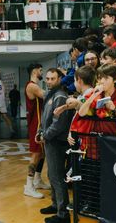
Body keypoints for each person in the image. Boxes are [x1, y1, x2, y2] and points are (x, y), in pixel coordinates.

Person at [38, 68, 73, 223]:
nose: (49, 81)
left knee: (57, 177)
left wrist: (44, 135)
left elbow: (59, 124)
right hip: (50, 140)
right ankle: (55, 204)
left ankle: (63, 214)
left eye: (53, 78)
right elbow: (45, 118)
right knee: (52, 175)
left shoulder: (60, 96)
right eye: (47, 78)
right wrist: (39, 131)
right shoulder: (50, 95)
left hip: (57, 142)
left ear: (59, 79)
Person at [24, 63, 50, 199]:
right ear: (34, 71)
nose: (42, 72)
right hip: (36, 124)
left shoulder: (35, 85)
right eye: (41, 70)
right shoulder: (32, 86)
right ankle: (28, 186)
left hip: (40, 123)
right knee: (35, 155)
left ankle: (38, 180)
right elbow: (48, 96)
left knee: (42, 154)